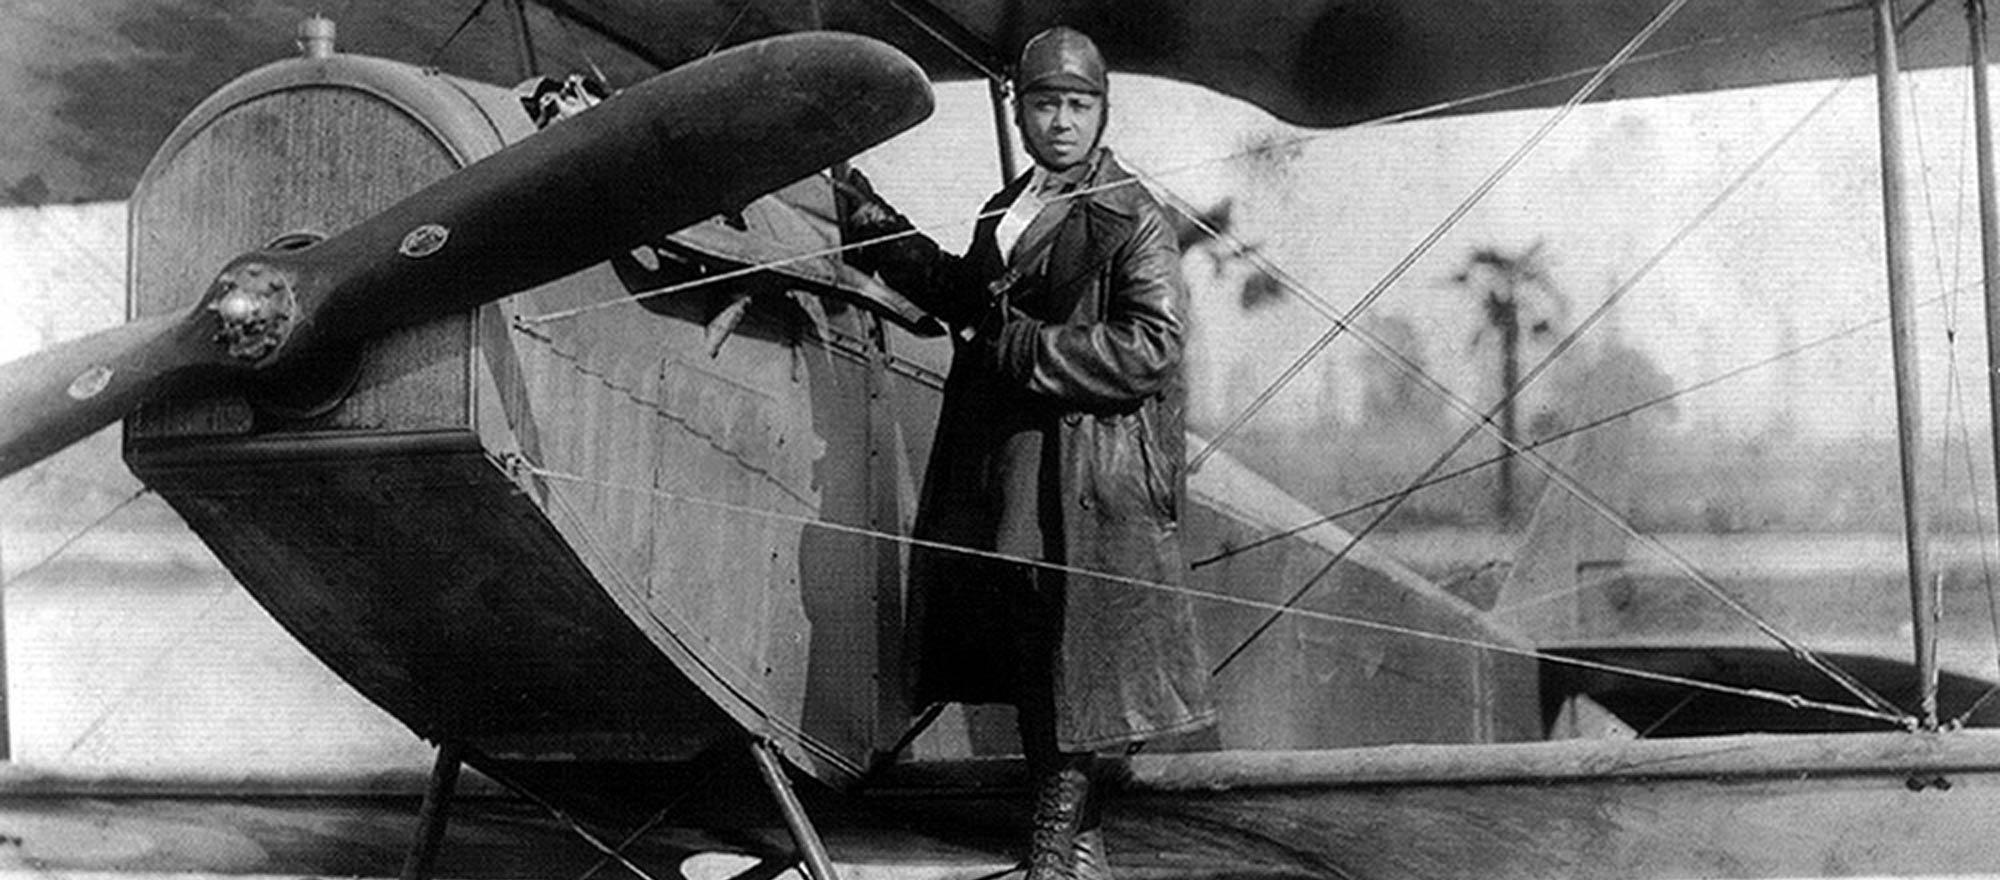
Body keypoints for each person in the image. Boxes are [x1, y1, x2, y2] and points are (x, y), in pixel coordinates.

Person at [842, 26, 1213, 880]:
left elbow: (1151, 349)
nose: (1060, 122)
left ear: (1101, 113)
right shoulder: (1008, 206)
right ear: (1022, 106)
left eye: (1078, 106)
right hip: (1009, 462)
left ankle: (1056, 842)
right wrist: (877, 232)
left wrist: (1025, 351)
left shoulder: (1133, 217)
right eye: (1045, 104)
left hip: (1082, 472)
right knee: (1023, 642)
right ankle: (1075, 840)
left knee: (1064, 657)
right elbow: (969, 300)